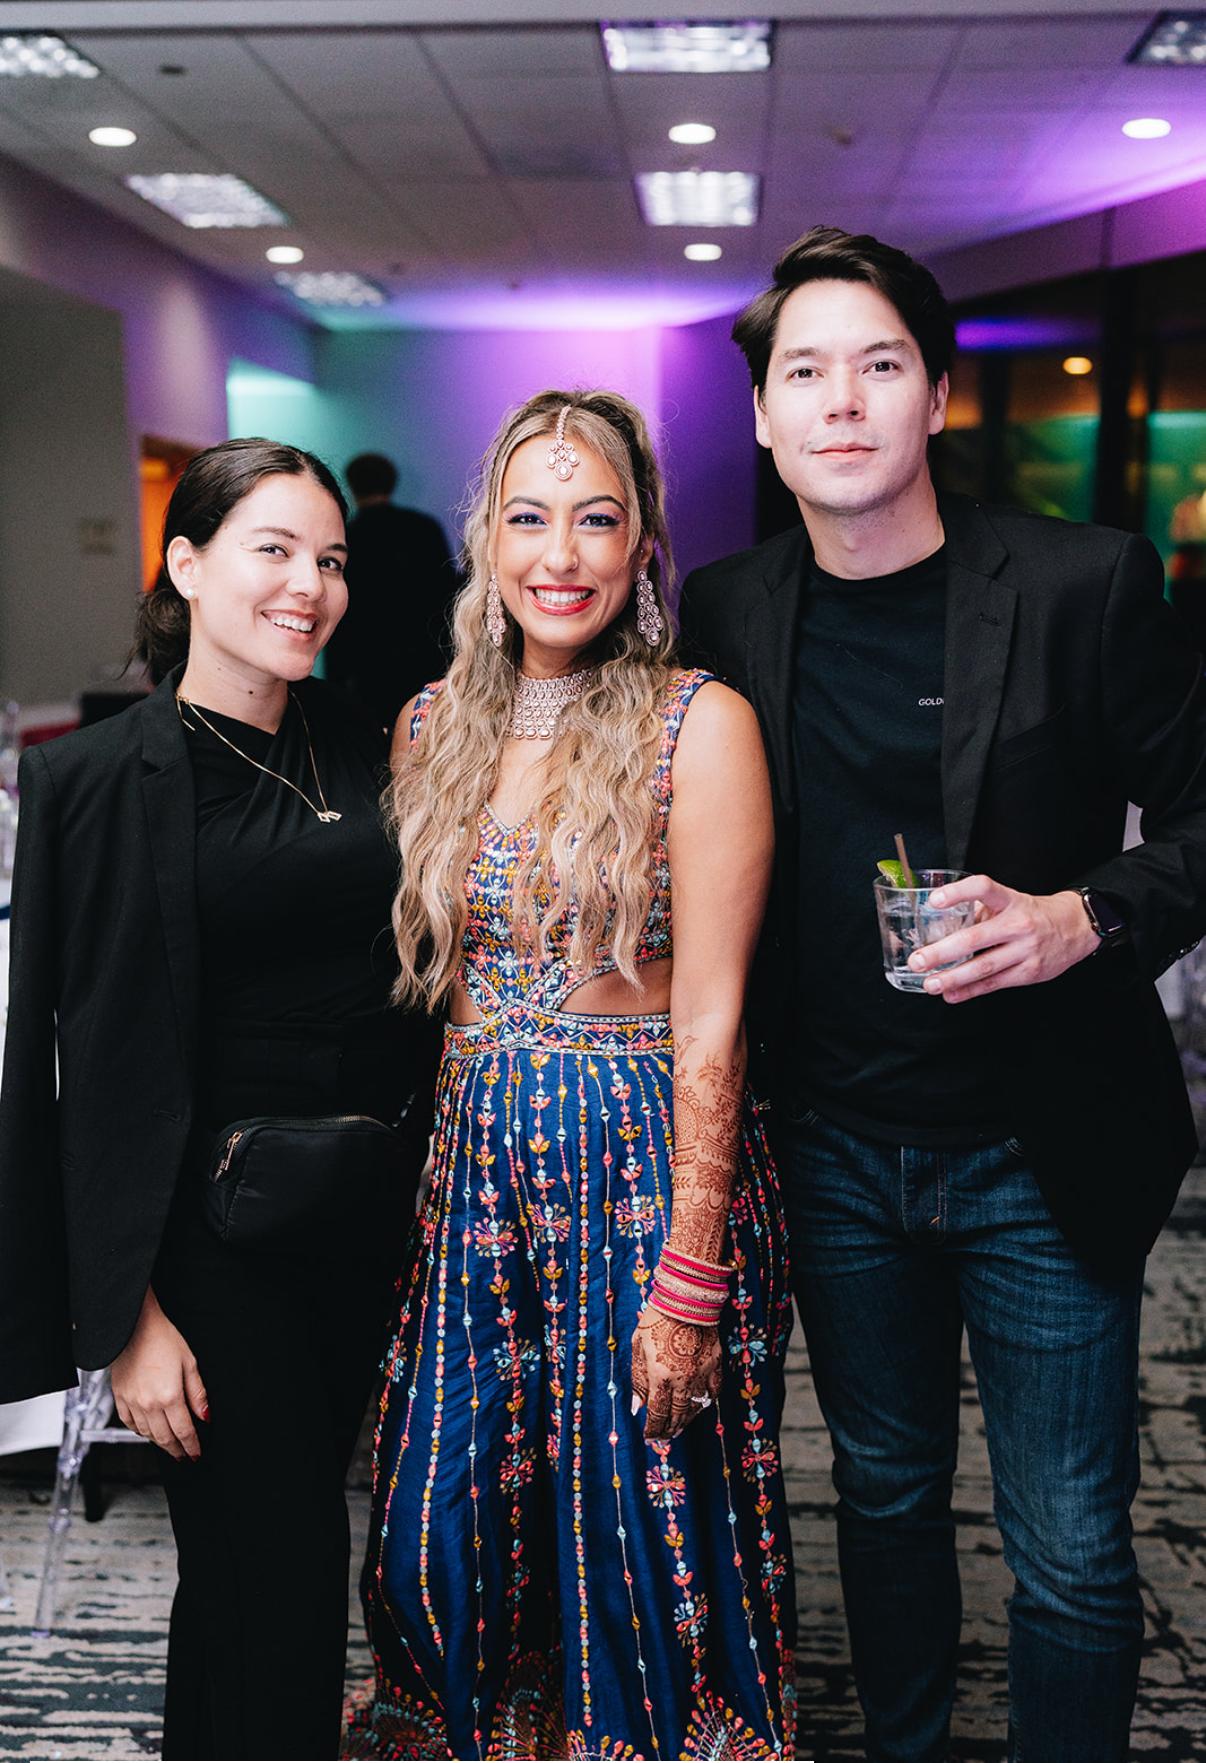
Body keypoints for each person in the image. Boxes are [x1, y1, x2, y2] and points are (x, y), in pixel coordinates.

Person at [678, 225, 1206, 1763]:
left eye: (879, 364)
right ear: (763, 417)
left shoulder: (1079, 583)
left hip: (1041, 1138)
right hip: (833, 1139)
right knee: (885, 1491)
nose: (841, 400)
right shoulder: (726, 607)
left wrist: (1078, 916)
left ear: (934, 396)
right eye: (804, 373)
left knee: (1069, 1541)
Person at [348, 391, 796, 1761]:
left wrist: (691, 1274)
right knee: (441, 1515)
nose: (561, 553)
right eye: (529, 517)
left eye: (595, 519)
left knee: (639, 1528)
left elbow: (711, 1015)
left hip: (640, 1170)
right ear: (485, 536)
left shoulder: (696, 723)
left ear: (642, 543)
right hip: (477, 1174)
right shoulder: (431, 724)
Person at [0, 438, 434, 1761]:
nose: (311, 584)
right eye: (275, 549)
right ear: (185, 565)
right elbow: (63, 1071)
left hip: (359, 1221)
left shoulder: (371, 748)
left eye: (331, 559)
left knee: (251, 1576)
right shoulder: (91, 781)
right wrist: (121, 1318)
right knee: (285, 1568)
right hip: (204, 1243)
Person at [322, 450, 457, 728]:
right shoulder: (424, 528)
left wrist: (335, 680)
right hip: (426, 657)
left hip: (369, 665)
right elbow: (448, 595)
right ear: (392, 482)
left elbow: (339, 611)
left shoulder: (348, 536)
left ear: (351, 486)